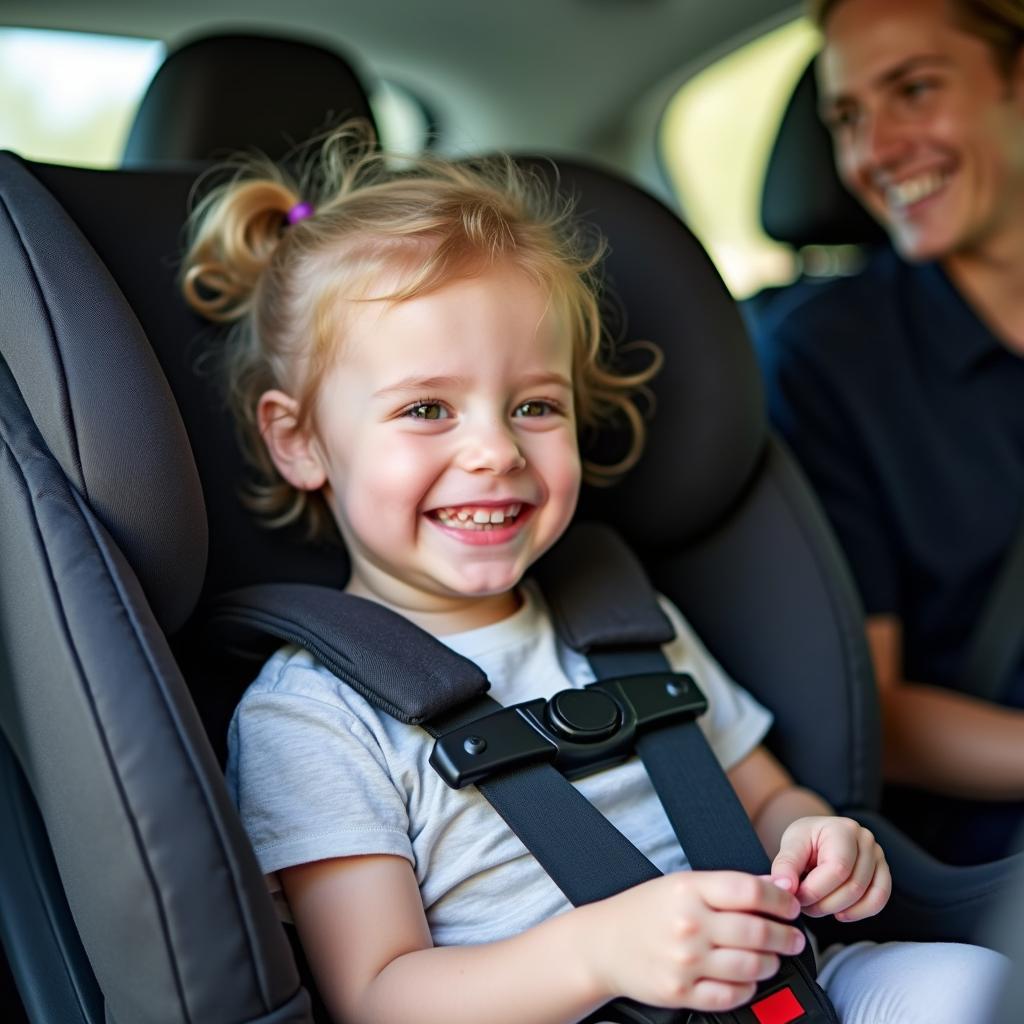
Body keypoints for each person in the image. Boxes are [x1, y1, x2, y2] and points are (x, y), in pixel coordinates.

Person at [182, 126, 1005, 1024]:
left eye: (535, 405)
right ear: (298, 440)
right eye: (426, 409)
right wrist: (600, 953)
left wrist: (816, 837)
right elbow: (377, 995)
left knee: (976, 985)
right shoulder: (309, 717)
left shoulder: (624, 622)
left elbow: (763, 792)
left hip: (783, 992)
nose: (495, 450)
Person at [758, 0, 1024, 865]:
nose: (873, 152)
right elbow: (869, 712)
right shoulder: (828, 358)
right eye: (848, 117)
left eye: (914, 89)